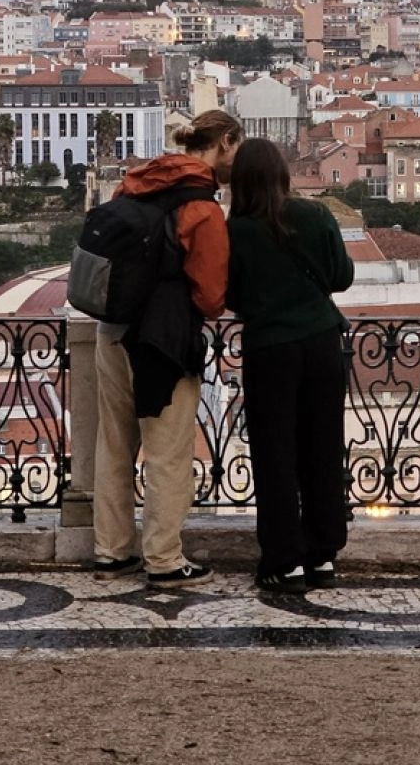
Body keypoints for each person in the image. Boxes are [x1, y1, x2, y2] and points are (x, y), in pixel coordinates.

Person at [92, 109, 243, 586]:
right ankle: (163, 558)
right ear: (226, 142)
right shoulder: (201, 208)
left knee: (114, 445)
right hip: (164, 340)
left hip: (111, 329)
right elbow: (212, 297)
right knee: (167, 452)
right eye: (236, 150)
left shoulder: (136, 183)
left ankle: (111, 552)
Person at [226, 138, 354, 593]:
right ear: (283, 173)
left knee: (274, 452)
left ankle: (285, 559)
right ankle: (323, 554)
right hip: (321, 342)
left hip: (270, 348)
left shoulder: (235, 230)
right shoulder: (315, 215)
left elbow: (230, 295)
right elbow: (341, 277)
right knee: (322, 446)